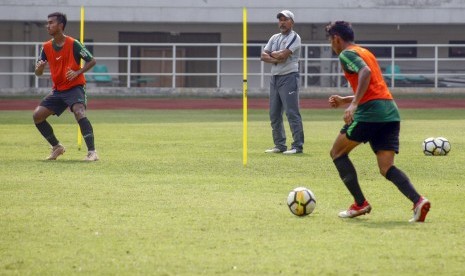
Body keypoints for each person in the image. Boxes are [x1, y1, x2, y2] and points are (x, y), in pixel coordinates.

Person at [325, 21, 430, 222]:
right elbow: (374, 86)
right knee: (386, 168)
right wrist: (345, 100)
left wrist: (354, 104)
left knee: (337, 152)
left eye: (331, 40)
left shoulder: (346, 54)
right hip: (389, 112)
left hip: (370, 113)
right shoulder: (365, 52)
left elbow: (365, 73)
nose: (332, 44)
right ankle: (418, 201)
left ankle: (360, 204)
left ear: (336, 38)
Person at [33, 12, 98, 161]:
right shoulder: (46, 47)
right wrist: (40, 69)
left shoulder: (73, 43)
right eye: (47, 23)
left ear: (60, 25)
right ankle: (57, 147)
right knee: (37, 116)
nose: (47, 25)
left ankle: (92, 152)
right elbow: (37, 72)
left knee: (79, 111)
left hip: (75, 87)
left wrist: (78, 72)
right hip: (57, 91)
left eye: (51, 23)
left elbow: (92, 60)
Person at [261, 10, 304, 155]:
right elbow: (263, 56)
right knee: (274, 114)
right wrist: (276, 57)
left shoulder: (294, 37)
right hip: (275, 78)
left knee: (292, 112)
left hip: (289, 77)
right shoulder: (274, 37)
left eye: (285, 20)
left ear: (292, 22)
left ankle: (297, 146)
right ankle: (279, 145)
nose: (282, 22)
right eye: (280, 20)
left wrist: (273, 55)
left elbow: (284, 55)